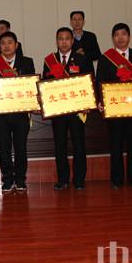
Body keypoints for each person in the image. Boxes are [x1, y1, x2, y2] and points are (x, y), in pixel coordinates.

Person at [96, 23, 132, 189]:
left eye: (124, 34)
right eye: (117, 35)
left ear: (129, 36)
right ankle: (116, 179)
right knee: (116, 145)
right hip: (115, 109)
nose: (120, 38)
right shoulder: (105, 59)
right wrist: (100, 101)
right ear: (113, 38)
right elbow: (100, 82)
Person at [42, 27, 93, 191]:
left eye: (67, 39)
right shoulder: (49, 60)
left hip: (77, 111)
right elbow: (46, 85)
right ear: (56, 41)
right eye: (60, 39)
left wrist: (87, 103)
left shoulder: (82, 59)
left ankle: (79, 179)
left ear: (72, 41)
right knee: (60, 145)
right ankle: (62, 179)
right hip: (58, 110)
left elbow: (90, 82)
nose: (63, 42)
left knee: (79, 144)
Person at [0, 31, 35, 193]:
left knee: (21, 148)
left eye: (10, 42)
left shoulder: (27, 62)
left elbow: (32, 85)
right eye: (3, 43)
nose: (6, 46)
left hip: (21, 114)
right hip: (1, 115)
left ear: (16, 45)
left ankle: (20, 179)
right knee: (4, 148)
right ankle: (7, 180)